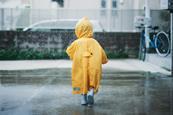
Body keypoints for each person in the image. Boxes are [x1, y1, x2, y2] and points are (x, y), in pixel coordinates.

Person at [66, 17, 108, 107]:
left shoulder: (76, 43)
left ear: (78, 30)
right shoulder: (95, 42)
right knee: (92, 79)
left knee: (81, 80)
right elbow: (102, 53)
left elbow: (69, 51)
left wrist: (73, 56)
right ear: (90, 30)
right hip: (94, 65)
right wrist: (104, 60)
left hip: (80, 65)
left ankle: (83, 99)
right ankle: (91, 92)